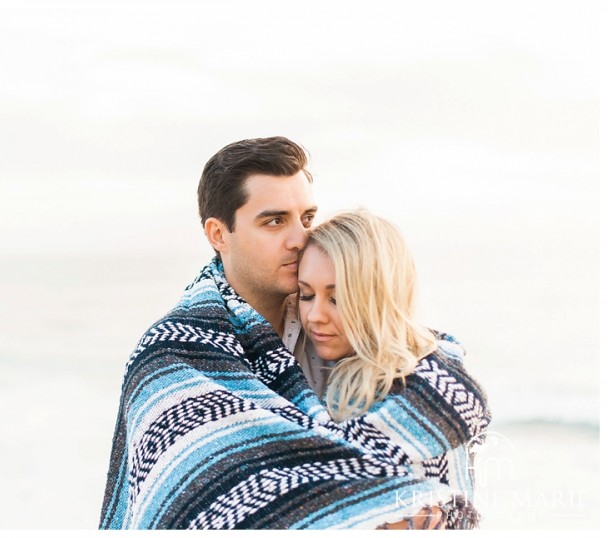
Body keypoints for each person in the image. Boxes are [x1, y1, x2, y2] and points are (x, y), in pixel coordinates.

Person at [99, 137, 490, 529]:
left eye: (306, 218)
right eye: (275, 221)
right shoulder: (172, 357)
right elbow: (191, 499)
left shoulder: (352, 332)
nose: (300, 239)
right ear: (218, 234)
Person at [297, 208, 489, 528]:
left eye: (337, 298)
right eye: (306, 295)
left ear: (379, 298)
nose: (315, 315)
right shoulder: (315, 370)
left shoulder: (419, 393)